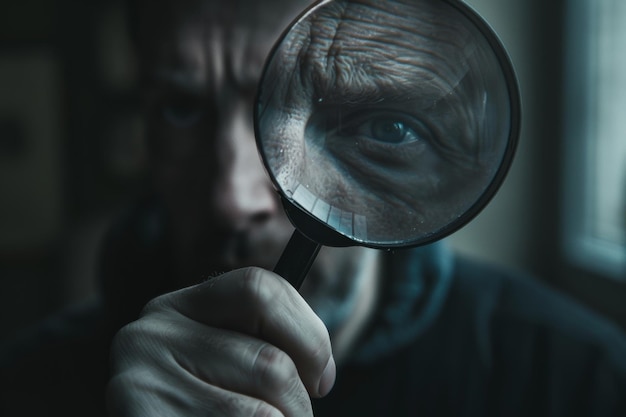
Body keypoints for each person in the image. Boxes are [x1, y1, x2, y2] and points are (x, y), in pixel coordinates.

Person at [1, 0, 625, 416]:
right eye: (182, 110)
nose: (233, 199)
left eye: (371, 126)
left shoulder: (585, 386)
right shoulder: (28, 388)